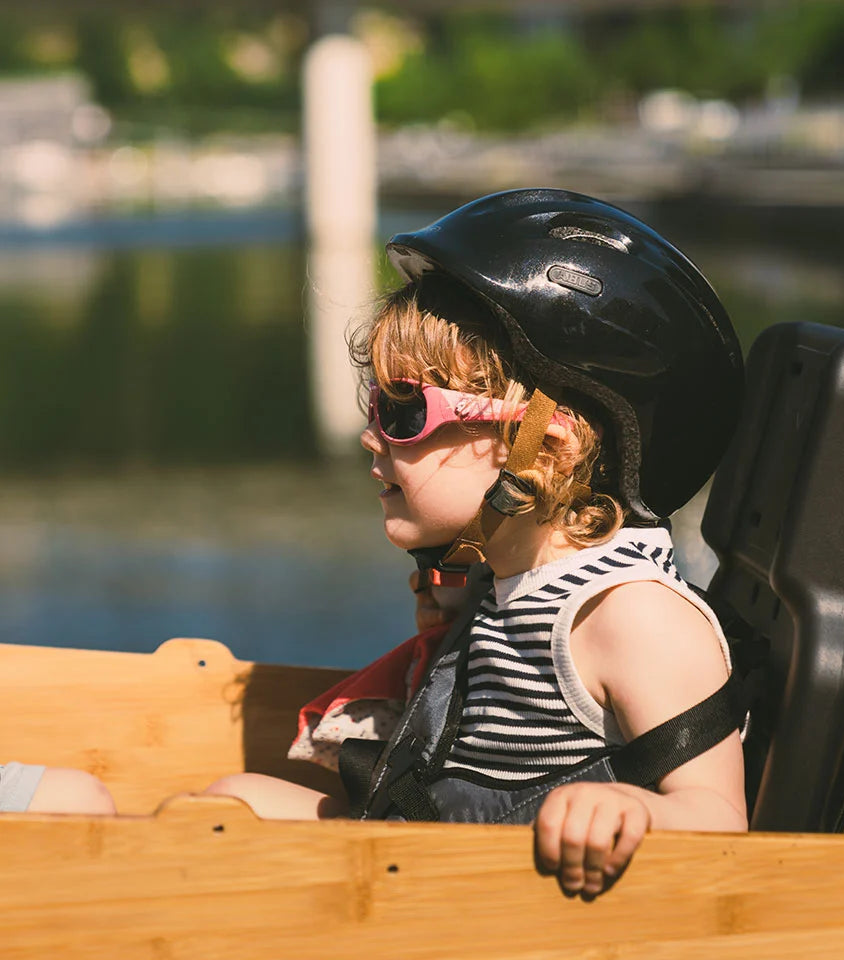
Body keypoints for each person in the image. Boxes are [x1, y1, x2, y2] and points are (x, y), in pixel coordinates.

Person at [2, 189, 748, 901]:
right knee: (235, 802)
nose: (370, 434)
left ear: (545, 447)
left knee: (154, 825)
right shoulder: (503, 578)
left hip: (485, 907)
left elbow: (719, 817)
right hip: (425, 855)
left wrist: (635, 815)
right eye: (376, 403)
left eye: (403, 411)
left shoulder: (630, 617)